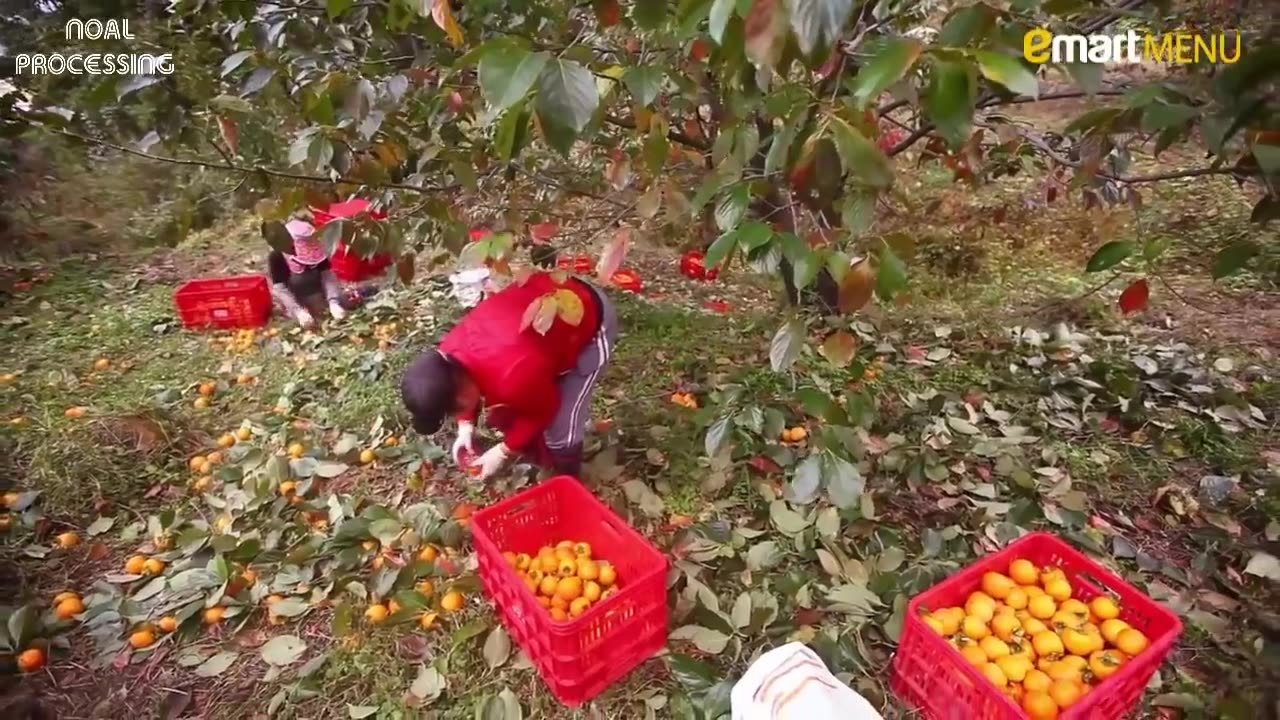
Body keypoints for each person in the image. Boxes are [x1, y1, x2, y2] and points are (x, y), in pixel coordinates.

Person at [400, 270, 618, 480]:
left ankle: (567, 479)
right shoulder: (448, 353)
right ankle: (543, 453)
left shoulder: (513, 376)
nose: (455, 414)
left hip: (587, 312)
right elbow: (461, 387)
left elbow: (543, 412)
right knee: (523, 401)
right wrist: (465, 427)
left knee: (561, 425)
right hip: (545, 298)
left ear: (461, 384)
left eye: (454, 409)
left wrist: (504, 451)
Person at [268, 216, 347, 328]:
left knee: (338, 307)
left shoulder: (316, 249)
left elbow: (327, 276)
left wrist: (333, 302)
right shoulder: (277, 256)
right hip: (296, 296)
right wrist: (299, 312)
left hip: (319, 291)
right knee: (309, 320)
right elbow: (281, 289)